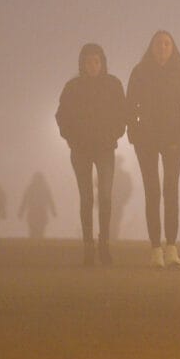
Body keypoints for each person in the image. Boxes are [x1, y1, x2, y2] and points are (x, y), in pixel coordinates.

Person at [127, 30, 180, 268]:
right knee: (152, 192)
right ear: (151, 46)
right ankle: (155, 248)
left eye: (167, 44)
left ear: (173, 47)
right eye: (159, 43)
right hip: (146, 141)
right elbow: (130, 106)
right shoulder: (139, 72)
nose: (163, 48)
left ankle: (172, 247)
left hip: (172, 140)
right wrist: (134, 134)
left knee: (171, 191)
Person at [56, 43, 127, 265]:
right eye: (88, 61)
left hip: (105, 149)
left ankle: (103, 244)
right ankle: (89, 246)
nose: (93, 66)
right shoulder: (72, 87)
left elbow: (122, 113)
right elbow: (61, 116)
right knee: (86, 198)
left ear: (102, 62)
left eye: (96, 61)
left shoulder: (113, 85)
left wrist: (114, 134)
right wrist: (71, 139)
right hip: (81, 150)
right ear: (82, 64)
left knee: (105, 197)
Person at [18, 172, 57, 240]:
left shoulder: (31, 188)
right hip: (40, 213)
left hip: (34, 213)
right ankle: (38, 246)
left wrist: (21, 212)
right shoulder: (44, 188)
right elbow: (50, 201)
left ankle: (34, 247)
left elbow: (24, 200)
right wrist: (53, 211)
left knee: (33, 232)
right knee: (39, 232)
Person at [109, 155, 134, 241]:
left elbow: (128, 189)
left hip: (118, 202)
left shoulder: (123, 175)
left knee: (115, 219)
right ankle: (110, 236)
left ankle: (112, 236)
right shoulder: (108, 173)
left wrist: (124, 200)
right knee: (113, 218)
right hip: (113, 201)